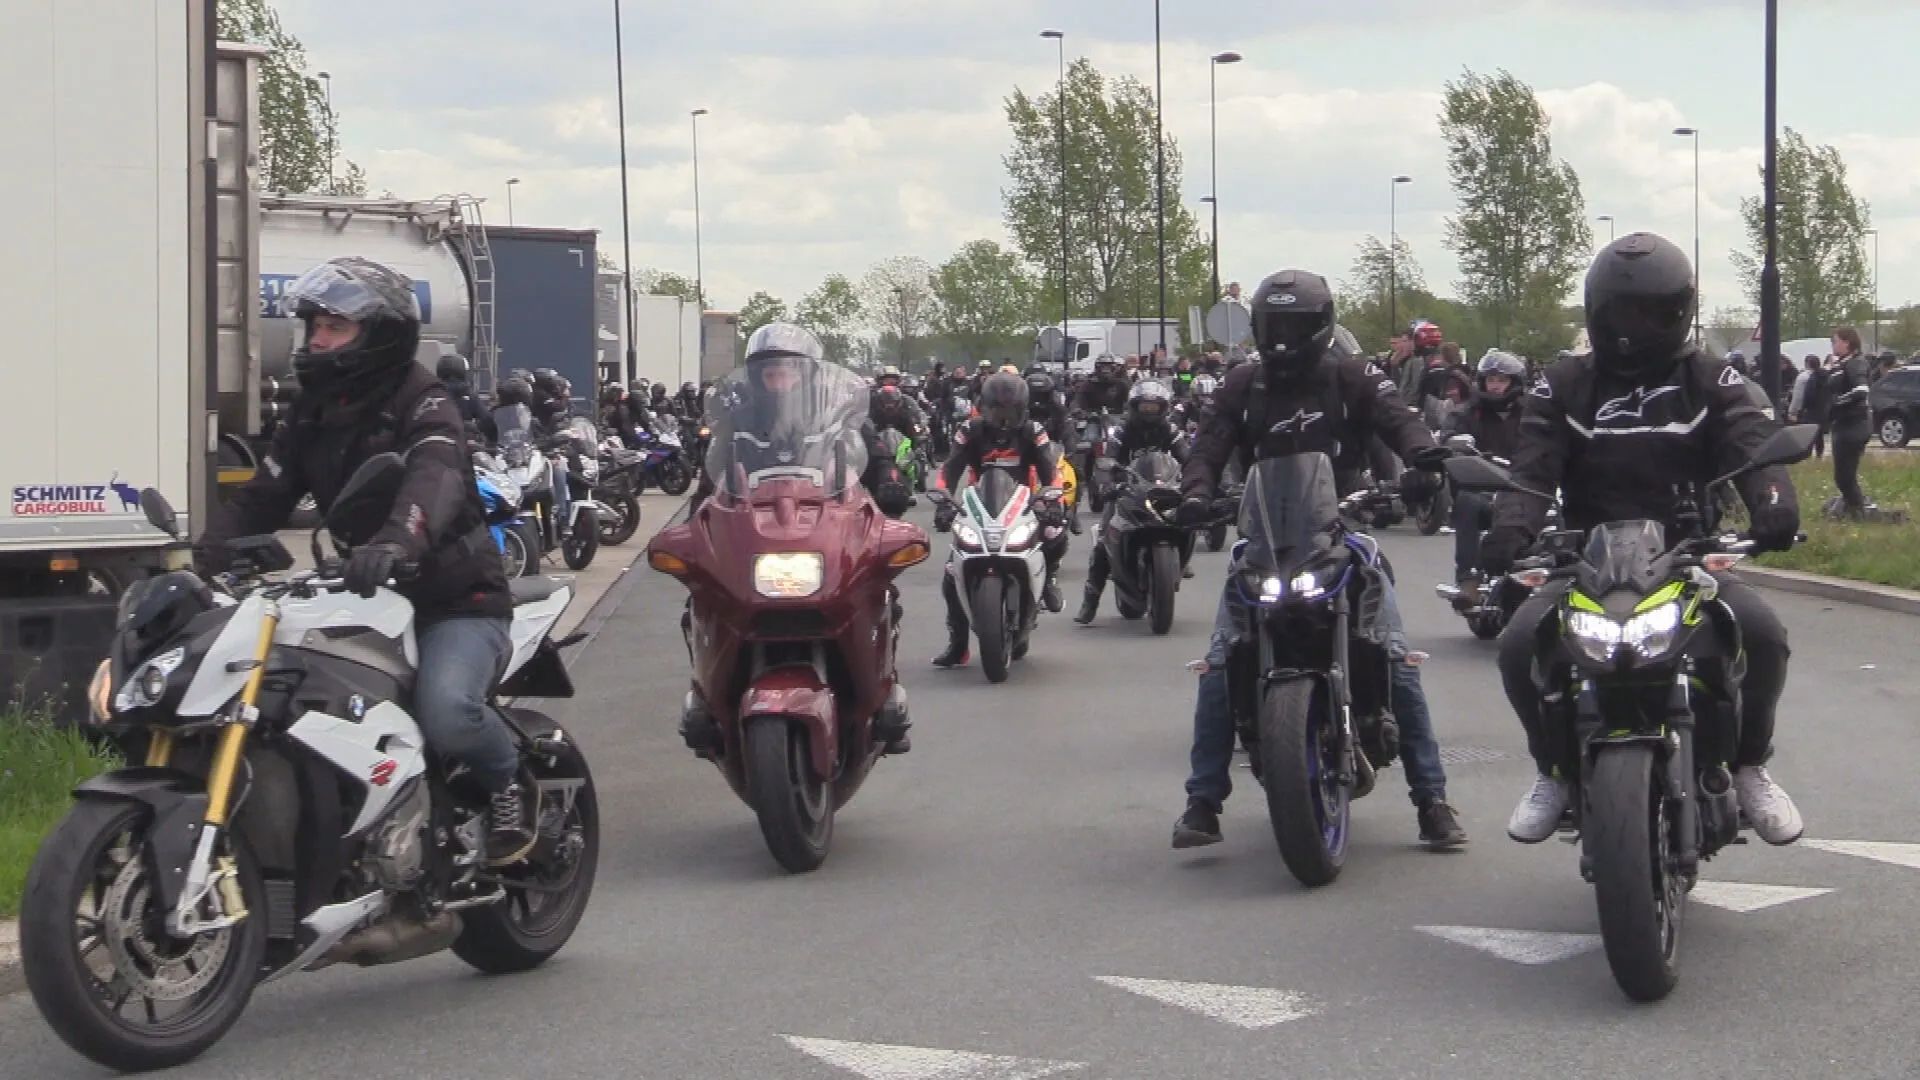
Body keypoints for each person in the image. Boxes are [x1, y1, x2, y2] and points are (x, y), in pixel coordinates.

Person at [193, 257, 532, 864]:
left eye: (333, 327)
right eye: (314, 326)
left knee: (448, 712)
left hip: (455, 599)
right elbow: (265, 493)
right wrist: (205, 551)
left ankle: (508, 782)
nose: (316, 339)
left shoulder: (424, 401)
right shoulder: (311, 411)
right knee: (292, 698)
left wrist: (398, 542)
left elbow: (434, 477)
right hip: (365, 594)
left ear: (379, 335)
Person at [1480, 232, 1803, 846]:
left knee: (1763, 635)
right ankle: (1551, 769)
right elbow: (1531, 466)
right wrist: (1510, 529)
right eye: (1620, 311)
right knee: (1519, 643)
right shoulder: (1563, 383)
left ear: (1677, 312)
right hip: (1584, 560)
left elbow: (1754, 442)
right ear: (1597, 310)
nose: (1632, 325)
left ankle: (1750, 764)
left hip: (1689, 556)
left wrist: (1772, 501)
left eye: (1648, 311)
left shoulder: (1714, 378)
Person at [1172, 268, 1467, 851]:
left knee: (1394, 654)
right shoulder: (1242, 384)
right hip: (1264, 536)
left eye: (1294, 325)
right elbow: (1210, 443)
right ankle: (1202, 802)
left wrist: (1423, 458)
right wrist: (1195, 492)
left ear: (1321, 326)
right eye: (1273, 326)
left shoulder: (1351, 375)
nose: (1282, 338)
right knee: (1220, 657)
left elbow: (1398, 418)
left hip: (1343, 528)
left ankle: (1431, 799)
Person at [931, 373, 1065, 664]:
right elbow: (949, 469)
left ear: (1024, 410)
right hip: (978, 503)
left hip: (1023, 501)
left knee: (1056, 532)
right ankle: (958, 645)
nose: (1004, 420)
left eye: (1011, 412)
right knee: (951, 573)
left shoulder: (1034, 431)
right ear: (983, 407)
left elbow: (1051, 470)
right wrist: (943, 500)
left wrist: (1054, 499)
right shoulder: (969, 430)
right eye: (997, 411)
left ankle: (1050, 576)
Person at [1074, 379, 1190, 624]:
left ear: (1163, 408)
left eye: (1154, 407)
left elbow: (1187, 457)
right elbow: (1108, 459)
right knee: (1104, 538)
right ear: (1135, 407)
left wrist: (1195, 479)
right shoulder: (1122, 431)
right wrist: (1107, 482)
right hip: (1127, 488)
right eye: (1145, 407)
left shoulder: (1170, 431)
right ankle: (1090, 600)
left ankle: (1180, 560)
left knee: (1190, 518)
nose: (1149, 412)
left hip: (1162, 488)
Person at [1441, 350, 1526, 583]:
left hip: (1525, 487)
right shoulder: (1469, 411)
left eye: (1502, 380)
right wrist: (1453, 443)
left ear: (1514, 382)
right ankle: (1466, 576)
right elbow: (1449, 433)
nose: (1495, 386)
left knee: (1557, 511)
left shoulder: (1531, 412)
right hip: (1483, 487)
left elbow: (1553, 434)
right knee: (1467, 502)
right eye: (1491, 380)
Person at [1827, 325, 1875, 516]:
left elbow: (1861, 390)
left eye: (1835, 340)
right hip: (1844, 425)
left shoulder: (1856, 363)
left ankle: (1857, 510)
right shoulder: (1843, 363)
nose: (1833, 344)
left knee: (1844, 476)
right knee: (1843, 475)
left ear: (1847, 342)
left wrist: (1838, 403)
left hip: (1854, 426)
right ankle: (1851, 506)